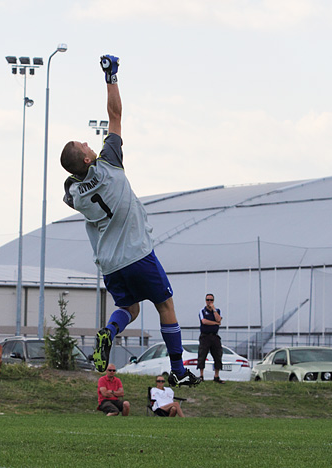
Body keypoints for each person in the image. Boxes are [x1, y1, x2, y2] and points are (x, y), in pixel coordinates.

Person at [60, 54, 200, 388]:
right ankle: (179, 371)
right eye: (84, 144)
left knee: (130, 309)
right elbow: (115, 115)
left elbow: (69, 186)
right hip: (137, 253)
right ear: (87, 157)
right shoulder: (109, 163)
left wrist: (75, 172)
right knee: (165, 304)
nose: (87, 141)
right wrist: (111, 77)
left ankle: (109, 332)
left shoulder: (75, 195)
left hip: (110, 264)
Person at [198, 293, 224, 383]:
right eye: (208, 300)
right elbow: (204, 321)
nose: (209, 302)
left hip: (214, 335)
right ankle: (201, 376)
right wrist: (216, 323)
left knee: (217, 355)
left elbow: (219, 319)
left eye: (211, 300)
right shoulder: (202, 311)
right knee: (202, 355)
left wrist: (213, 310)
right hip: (205, 336)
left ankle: (216, 376)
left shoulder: (217, 311)